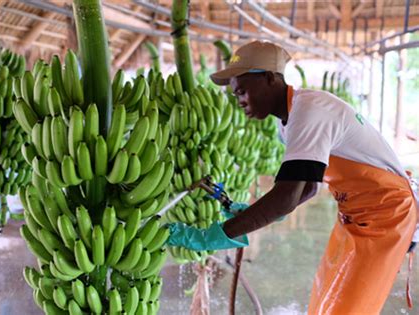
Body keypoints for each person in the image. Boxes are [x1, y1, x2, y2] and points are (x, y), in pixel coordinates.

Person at [167, 40, 419, 314]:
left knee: (349, 306)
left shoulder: (309, 111)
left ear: (269, 78)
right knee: (327, 294)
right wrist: (262, 212)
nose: (240, 101)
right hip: (355, 211)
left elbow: (286, 196)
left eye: (242, 92)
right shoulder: (286, 121)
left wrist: (212, 236)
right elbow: (308, 187)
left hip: (386, 212)